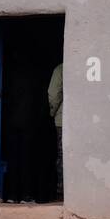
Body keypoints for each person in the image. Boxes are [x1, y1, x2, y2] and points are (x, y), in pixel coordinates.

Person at [47, 62, 64, 200]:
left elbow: (53, 94)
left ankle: (61, 191)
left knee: (61, 155)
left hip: (62, 120)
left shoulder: (60, 69)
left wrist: (51, 113)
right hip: (84, 119)